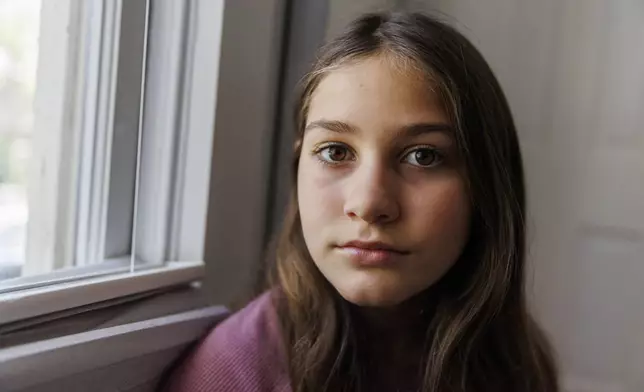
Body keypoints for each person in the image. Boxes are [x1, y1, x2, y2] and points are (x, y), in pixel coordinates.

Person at [164, 11, 559, 392]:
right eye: (336, 152)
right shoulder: (234, 370)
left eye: (423, 155)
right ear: (298, 165)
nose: (369, 203)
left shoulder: (513, 362)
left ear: (486, 184)